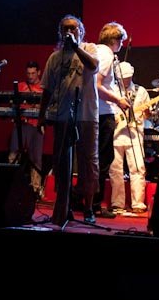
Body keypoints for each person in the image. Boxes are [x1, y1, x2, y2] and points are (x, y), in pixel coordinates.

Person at [38, 15, 99, 225]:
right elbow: (47, 89)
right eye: (65, 29)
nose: (69, 32)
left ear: (81, 31)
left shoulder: (90, 49)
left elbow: (93, 66)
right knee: (61, 162)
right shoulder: (55, 58)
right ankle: (63, 207)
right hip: (62, 115)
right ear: (60, 32)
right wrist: (41, 116)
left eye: (74, 28)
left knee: (88, 162)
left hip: (87, 115)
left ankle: (89, 207)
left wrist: (75, 47)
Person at [92, 22, 131, 219]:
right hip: (103, 113)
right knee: (103, 160)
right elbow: (97, 84)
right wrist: (118, 100)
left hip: (94, 112)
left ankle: (88, 201)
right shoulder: (106, 55)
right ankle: (95, 204)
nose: (122, 45)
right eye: (121, 41)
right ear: (114, 40)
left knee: (95, 159)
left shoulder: (94, 51)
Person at [109, 61, 149, 214]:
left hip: (134, 135)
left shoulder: (141, 91)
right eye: (123, 78)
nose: (126, 80)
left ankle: (138, 203)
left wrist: (146, 111)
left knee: (137, 168)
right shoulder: (112, 91)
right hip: (116, 134)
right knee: (115, 170)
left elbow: (147, 115)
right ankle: (117, 203)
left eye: (128, 77)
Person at [8, 61, 45, 198]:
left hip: (36, 125)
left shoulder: (43, 87)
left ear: (39, 72)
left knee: (36, 158)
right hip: (21, 124)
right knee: (13, 155)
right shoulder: (21, 86)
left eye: (33, 73)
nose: (30, 76)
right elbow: (12, 104)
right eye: (28, 73)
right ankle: (11, 185)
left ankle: (35, 188)